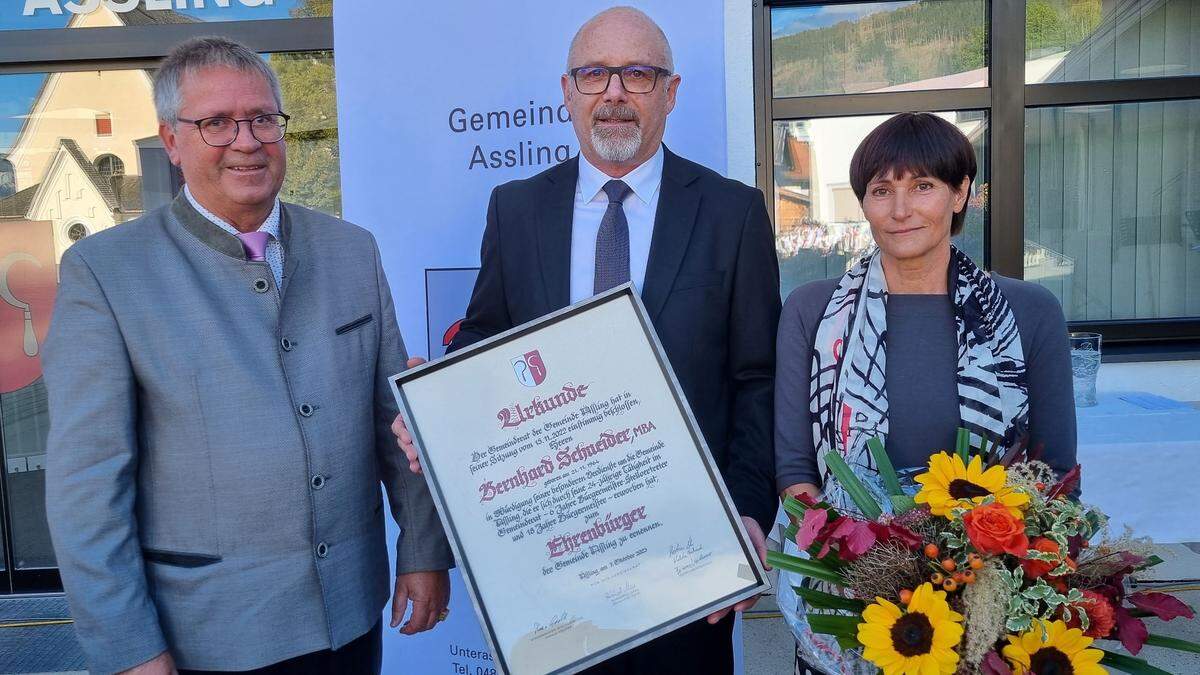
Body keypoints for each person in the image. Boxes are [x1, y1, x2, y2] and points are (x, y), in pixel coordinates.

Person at [42, 36, 452, 675]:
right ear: (172, 141)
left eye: (263, 117)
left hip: (351, 621)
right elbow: (88, 489)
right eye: (216, 123)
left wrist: (424, 551)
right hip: (207, 638)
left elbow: (394, 419)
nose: (247, 139)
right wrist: (129, 649)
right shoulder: (106, 274)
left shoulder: (352, 251)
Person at [392, 6, 780, 674]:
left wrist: (745, 510)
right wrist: (439, 408)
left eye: (637, 73)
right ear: (567, 92)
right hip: (550, 554)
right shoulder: (516, 208)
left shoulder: (730, 212)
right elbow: (485, 333)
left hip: (684, 556)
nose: (614, 93)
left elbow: (757, 379)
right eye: (594, 74)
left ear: (671, 91)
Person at [773, 112, 1077, 673]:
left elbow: (1053, 472)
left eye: (923, 187)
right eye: (881, 190)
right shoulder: (814, 312)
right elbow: (796, 470)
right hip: (848, 584)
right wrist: (853, 564)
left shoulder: (1028, 313)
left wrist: (973, 578)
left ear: (962, 193)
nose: (900, 209)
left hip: (989, 587)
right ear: (863, 202)